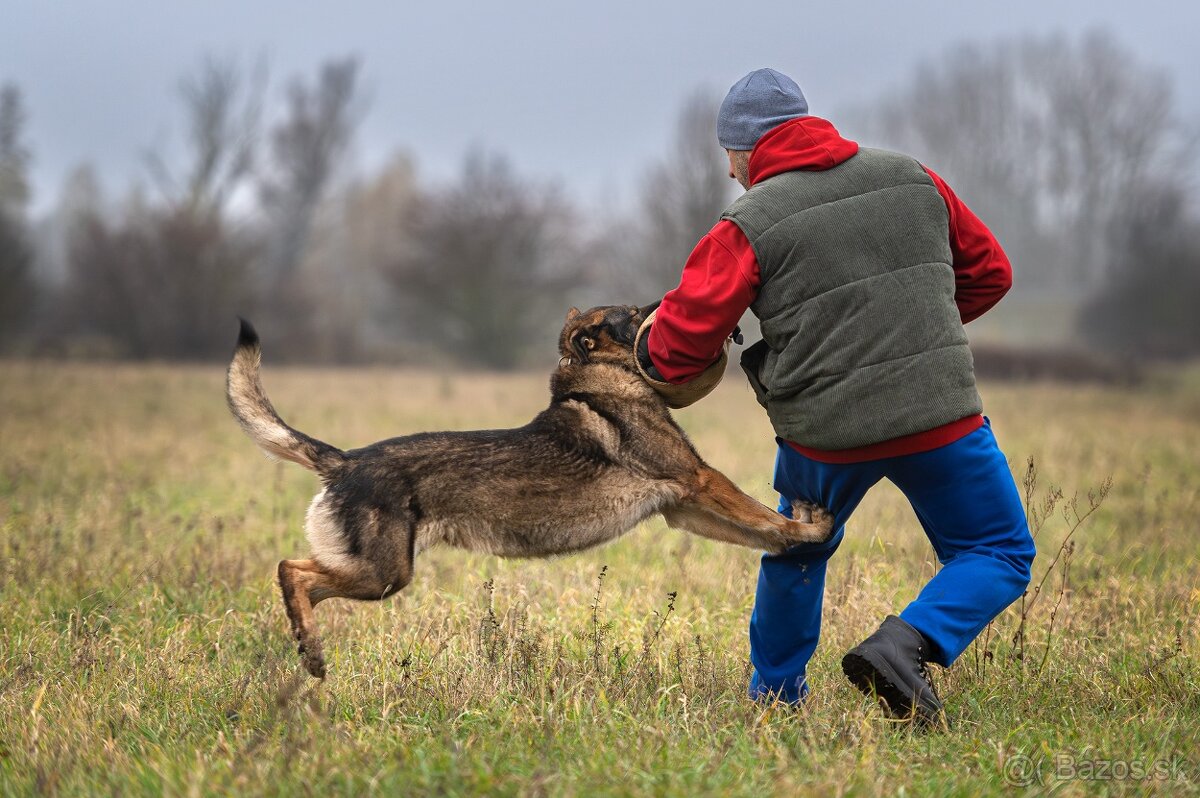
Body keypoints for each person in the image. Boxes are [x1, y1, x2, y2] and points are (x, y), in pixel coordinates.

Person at [634, 68, 1036, 726]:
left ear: (745, 150)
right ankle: (906, 642)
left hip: (825, 439)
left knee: (797, 546)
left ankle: (776, 696)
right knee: (998, 550)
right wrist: (910, 330)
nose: (731, 173)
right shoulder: (915, 178)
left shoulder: (747, 224)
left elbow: (676, 350)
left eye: (730, 158)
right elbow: (991, 273)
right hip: (940, 422)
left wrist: (650, 347)